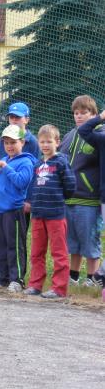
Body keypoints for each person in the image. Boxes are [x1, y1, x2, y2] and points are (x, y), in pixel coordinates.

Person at [25, 125, 76, 299]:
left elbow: (70, 186)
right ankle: (35, 285)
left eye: (49, 141)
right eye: (42, 141)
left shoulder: (61, 162)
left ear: (57, 142)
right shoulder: (38, 164)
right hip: (38, 215)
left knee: (59, 252)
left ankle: (59, 288)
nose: (45, 145)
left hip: (55, 215)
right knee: (36, 252)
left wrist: (58, 198)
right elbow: (34, 187)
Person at [0, 124, 35, 293]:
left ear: (23, 142)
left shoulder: (26, 161)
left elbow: (22, 182)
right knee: (0, 245)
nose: (10, 146)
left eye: (13, 142)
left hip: (13, 210)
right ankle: (3, 277)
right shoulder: (5, 160)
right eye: (6, 143)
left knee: (15, 245)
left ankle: (16, 279)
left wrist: (6, 168)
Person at [59, 95, 103, 288]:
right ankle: (74, 276)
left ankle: (93, 278)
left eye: (83, 113)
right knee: (73, 241)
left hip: (89, 198)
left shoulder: (99, 134)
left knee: (89, 240)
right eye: (76, 113)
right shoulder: (69, 135)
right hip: (69, 198)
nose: (78, 116)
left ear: (94, 114)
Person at [77, 106, 105, 290]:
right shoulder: (102, 139)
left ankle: (101, 274)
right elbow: (83, 130)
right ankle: (101, 275)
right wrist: (100, 117)